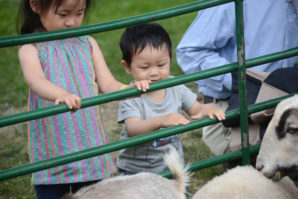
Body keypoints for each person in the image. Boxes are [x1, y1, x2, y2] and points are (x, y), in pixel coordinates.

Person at [17, 0, 151, 198]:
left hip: (88, 143)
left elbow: (107, 84)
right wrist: (60, 94)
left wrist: (128, 89)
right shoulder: (31, 48)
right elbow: (35, 80)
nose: (72, 22)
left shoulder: (87, 42)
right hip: (54, 146)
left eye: (79, 13)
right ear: (36, 5)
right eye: (63, 14)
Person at [176, 0, 298, 157]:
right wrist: (241, 82)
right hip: (237, 105)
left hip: (288, 97)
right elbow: (190, 51)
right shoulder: (233, 3)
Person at [116, 23, 225, 175]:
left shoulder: (174, 85)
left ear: (170, 59)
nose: (154, 73)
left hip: (172, 167)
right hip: (136, 170)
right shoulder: (131, 94)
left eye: (161, 64)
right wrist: (161, 121)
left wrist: (206, 109)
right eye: (145, 68)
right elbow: (133, 128)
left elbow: (196, 109)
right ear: (127, 67)